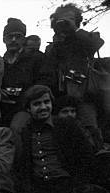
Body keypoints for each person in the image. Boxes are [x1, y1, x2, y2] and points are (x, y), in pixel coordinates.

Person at [13, 85, 95, 193]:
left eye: (47, 102)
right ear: (28, 108)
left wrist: (78, 188)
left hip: (68, 187)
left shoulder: (68, 125)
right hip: (39, 191)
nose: (43, 107)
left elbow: (86, 158)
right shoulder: (25, 132)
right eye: (37, 104)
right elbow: (23, 167)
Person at [40, 3, 104, 137]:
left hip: (83, 95)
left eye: (70, 19)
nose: (65, 22)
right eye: (62, 19)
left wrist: (74, 29)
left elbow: (96, 44)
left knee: (89, 131)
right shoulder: (53, 46)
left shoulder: (83, 40)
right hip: (60, 97)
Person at [0, 18, 44, 127]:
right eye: (10, 36)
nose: (14, 40)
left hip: (27, 109)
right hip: (2, 109)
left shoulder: (37, 58)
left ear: (24, 39)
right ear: (4, 39)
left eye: (18, 36)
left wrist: (27, 96)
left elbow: (45, 82)